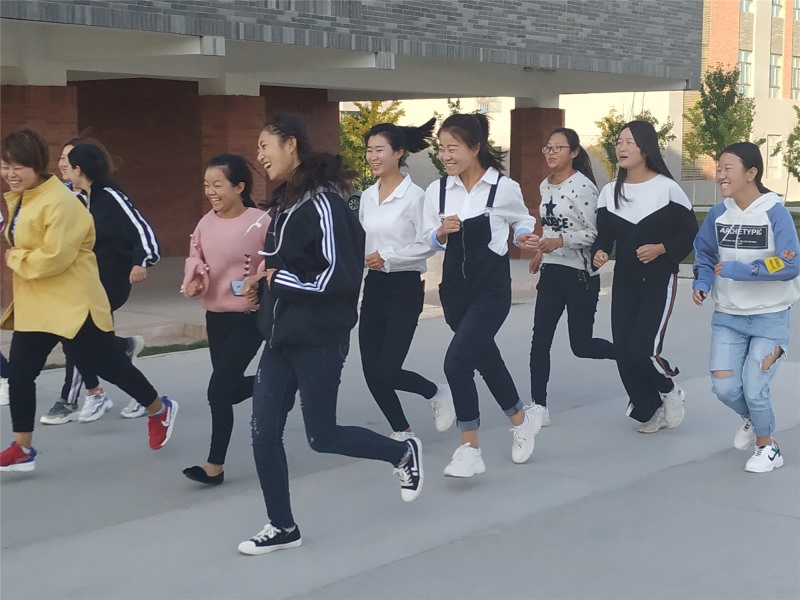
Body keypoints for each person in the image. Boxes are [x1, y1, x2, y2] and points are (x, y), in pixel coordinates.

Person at [237, 113, 423, 555]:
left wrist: (278, 280)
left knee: (322, 436)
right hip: (280, 338)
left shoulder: (325, 204)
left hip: (319, 338)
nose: (260, 155)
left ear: (291, 146)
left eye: (265, 145)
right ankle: (282, 527)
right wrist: (263, 283)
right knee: (263, 433)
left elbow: (339, 276)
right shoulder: (286, 203)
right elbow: (286, 266)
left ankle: (401, 453)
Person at [0, 129, 177, 473]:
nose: (11, 173)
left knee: (108, 364)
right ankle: (22, 448)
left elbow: (55, 258)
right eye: (6, 165)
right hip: (37, 304)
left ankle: (159, 409)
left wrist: (16, 258)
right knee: (20, 374)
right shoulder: (22, 198)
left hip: (73, 303)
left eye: (18, 166)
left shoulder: (61, 202)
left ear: (37, 165)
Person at [420, 113, 538, 478]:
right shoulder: (438, 191)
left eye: (452, 148)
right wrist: (440, 232)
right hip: (454, 293)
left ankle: (469, 448)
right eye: (441, 148)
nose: (445, 156)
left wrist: (522, 236)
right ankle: (521, 420)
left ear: (475, 148)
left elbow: (522, 220)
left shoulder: (502, 188)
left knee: (456, 363)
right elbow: (427, 239)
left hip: (491, 290)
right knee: (486, 359)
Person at [692, 142, 800, 473]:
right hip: (728, 317)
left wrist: (744, 270)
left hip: (770, 316)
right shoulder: (718, 214)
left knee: (755, 388)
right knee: (724, 387)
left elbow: (789, 262)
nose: (720, 175)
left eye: (728, 169)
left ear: (751, 173)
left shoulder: (775, 212)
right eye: (718, 169)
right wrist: (702, 282)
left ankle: (768, 447)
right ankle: (753, 419)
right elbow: (705, 253)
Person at [40, 139, 158, 425]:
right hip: (84, 281)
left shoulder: (110, 196)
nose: (62, 165)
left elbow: (141, 228)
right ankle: (127, 365)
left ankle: (82, 397)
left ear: (79, 168)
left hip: (111, 280)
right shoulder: (75, 198)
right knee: (88, 341)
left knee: (77, 335)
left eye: (68, 160)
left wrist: (142, 260)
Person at [591, 120, 697, 433]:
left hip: (658, 281)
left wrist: (662, 248)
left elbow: (690, 234)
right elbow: (603, 237)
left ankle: (669, 390)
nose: (621, 148)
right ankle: (651, 409)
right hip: (624, 282)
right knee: (624, 353)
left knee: (641, 350)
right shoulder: (610, 192)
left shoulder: (668, 189)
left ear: (646, 148)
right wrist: (599, 252)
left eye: (629, 142)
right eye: (619, 142)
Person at [358, 118, 454, 441]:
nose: (373, 156)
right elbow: (364, 240)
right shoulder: (367, 196)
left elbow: (429, 243)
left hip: (404, 288)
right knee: (371, 372)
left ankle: (436, 391)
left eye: (379, 150)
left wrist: (389, 257)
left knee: (387, 370)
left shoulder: (415, 197)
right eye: (369, 150)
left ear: (398, 152)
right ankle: (403, 432)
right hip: (374, 286)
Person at [181, 153, 268, 485]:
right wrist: (194, 280)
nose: (211, 192)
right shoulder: (205, 223)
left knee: (217, 390)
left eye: (218, 185)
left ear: (239, 187)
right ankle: (279, 384)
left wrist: (260, 281)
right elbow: (196, 258)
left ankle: (214, 467)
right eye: (207, 185)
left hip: (249, 318)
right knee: (229, 391)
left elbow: (276, 261)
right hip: (216, 317)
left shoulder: (261, 222)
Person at [528, 128, 615, 426]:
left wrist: (561, 241)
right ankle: (538, 406)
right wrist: (542, 251)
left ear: (574, 152)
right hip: (552, 272)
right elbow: (550, 226)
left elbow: (594, 234)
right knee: (540, 340)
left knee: (582, 346)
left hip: (579, 276)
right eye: (548, 148)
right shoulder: (545, 185)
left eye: (558, 148)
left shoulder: (584, 188)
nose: (551, 153)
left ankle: (633, 356)